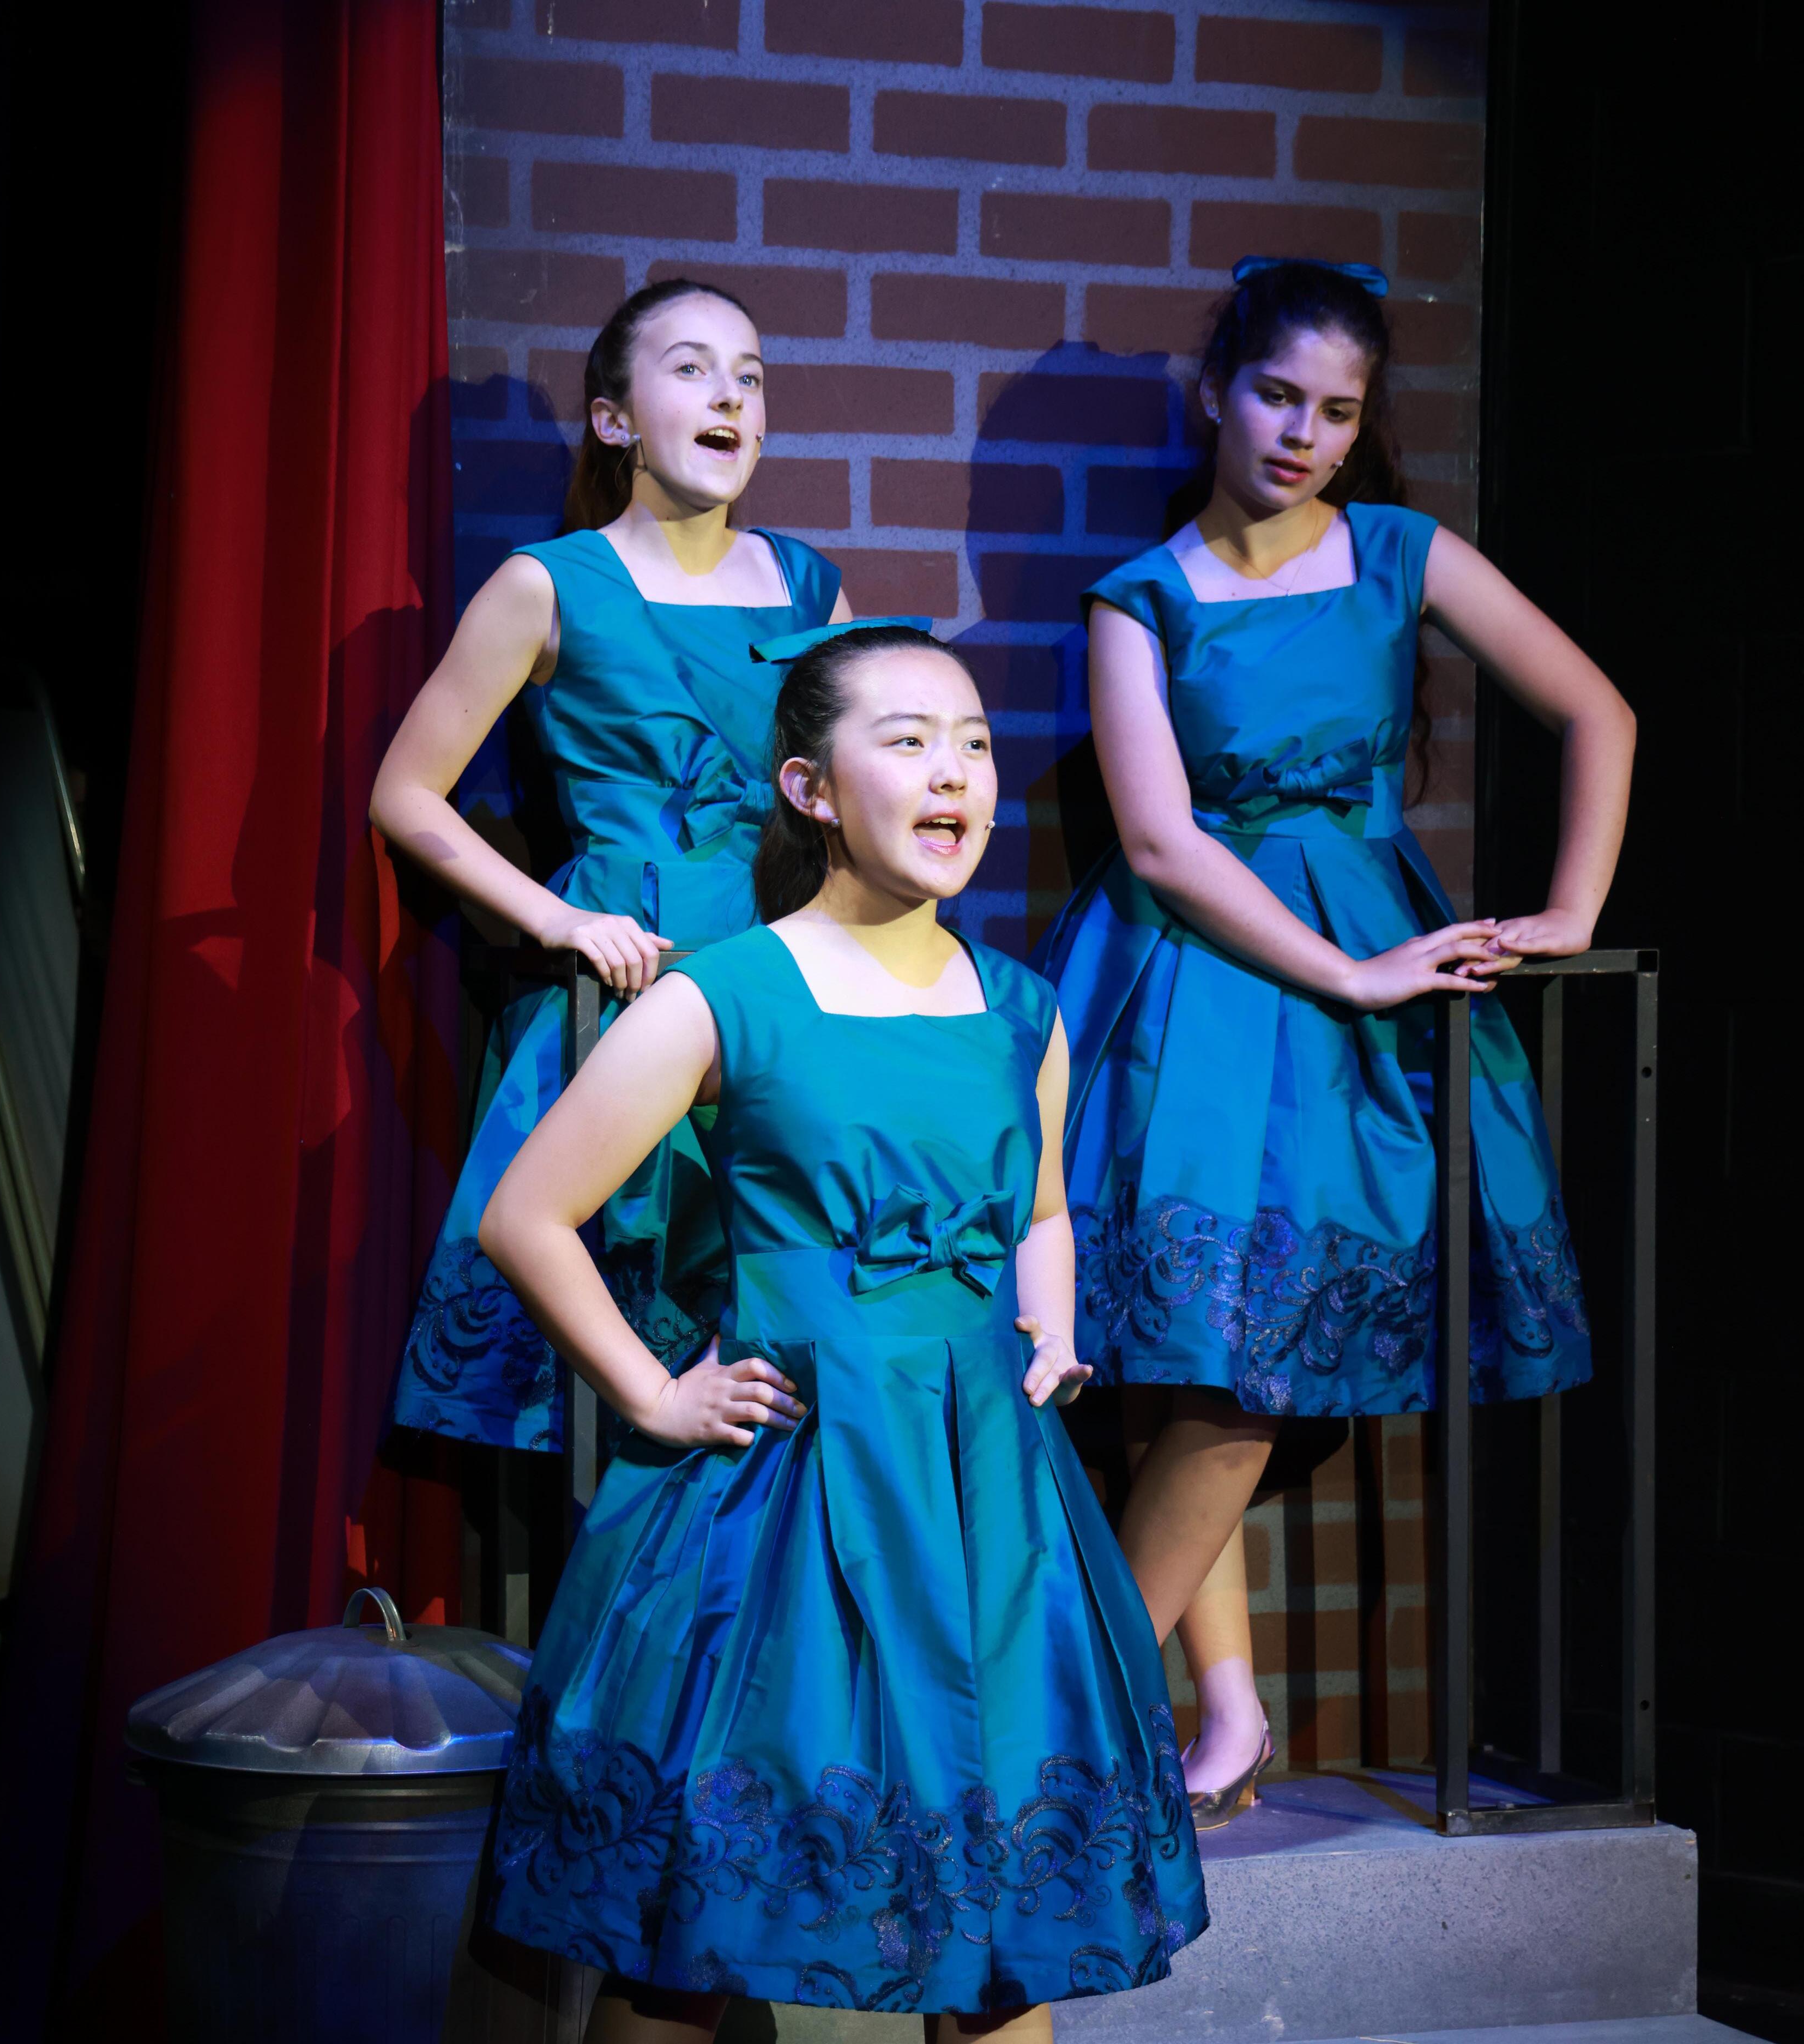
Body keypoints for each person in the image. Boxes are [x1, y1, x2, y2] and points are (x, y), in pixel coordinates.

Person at [474, 626, 1207, 2034]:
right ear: (810, 788)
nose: (955, 773)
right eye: (910, 741)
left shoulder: (1020, 1008)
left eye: (975, 743)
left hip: (982, 1485)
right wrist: (652, 1393)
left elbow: (1044, 1207)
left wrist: (1048, 1321)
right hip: (789, 1485)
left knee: (1008, 1907)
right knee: (697, 1911)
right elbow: (528, 1213)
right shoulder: (725, 992)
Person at [1040, 257, 1636, 1827]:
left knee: (1241, 1367)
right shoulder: (1140, 595)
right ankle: (1215, 1715)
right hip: (1193, 982)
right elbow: (1160, 841)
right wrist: (1348, 975)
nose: (1304, 433)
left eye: (1339, 410)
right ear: (1216, 394)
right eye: (1278, 396)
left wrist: (1570, 909)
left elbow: (1601, 710)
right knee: (1190, 1360)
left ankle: (1066, 1727)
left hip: (1359, 983)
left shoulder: (1396, 553)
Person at [369, 278, 859, 1450]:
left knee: (782, 1368)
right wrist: (557, 919)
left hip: (781, 979)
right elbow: (405, 792)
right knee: (616, 1379)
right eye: (692, 369)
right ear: (614, 419)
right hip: (632, 982)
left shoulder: (807, 584)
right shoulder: (549, 584)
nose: (729, 396)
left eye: (749, 377)